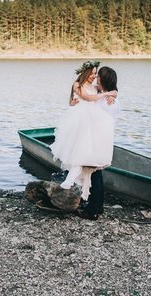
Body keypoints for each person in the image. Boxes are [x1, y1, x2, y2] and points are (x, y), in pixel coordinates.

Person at [50, 61, 117, 201]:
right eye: (92, 73)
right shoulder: (77, 85)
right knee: (79, 151)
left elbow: (111, 91)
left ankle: (70, 182)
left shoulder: (95, 87)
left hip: (93, 123)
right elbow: (86, 98)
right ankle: (70, 181)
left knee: (84, 152)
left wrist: (112, 94)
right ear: (85, 72)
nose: (94, 76)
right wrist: (107, 94)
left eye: (95, 74)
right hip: (80, 122)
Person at [75, 66, 120, 220]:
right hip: (100, 140)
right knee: (96, 174)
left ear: (104, 80)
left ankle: (92, 211)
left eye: (98, 77)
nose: (96, 79)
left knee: (94, 174)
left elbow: (100, 122)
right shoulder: (106, 96)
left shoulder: (108, 102)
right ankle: (97, 207)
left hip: (98, 140)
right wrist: (113, 92)